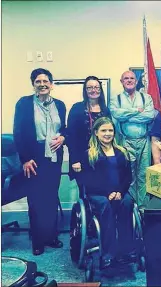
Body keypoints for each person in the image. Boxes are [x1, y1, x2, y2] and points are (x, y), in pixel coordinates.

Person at [13, 68, 66, 256]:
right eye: (38, 81)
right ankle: (37, 240)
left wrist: (63, 138)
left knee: (51, 197)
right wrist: (25, 159)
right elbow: (18, 132)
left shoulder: (60, 105)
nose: (42, 84)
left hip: (54, 157)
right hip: (33, 157)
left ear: (51, 84)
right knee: (36, 199)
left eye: (46, 81)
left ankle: (51, 236)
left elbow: (64, 128)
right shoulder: (24, 104)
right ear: (33, 84)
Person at [77, 117, 134, 272]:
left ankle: (126, 251)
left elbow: (128, 177)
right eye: (103, 130)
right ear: (96, 133)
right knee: (105, 206)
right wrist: (108, 192)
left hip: (119, 193)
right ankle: (108, 254)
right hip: (98, 195)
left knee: (128, 203)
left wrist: (120, 192)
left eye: (110, 130)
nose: (107, 134)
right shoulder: (89, 154)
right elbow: (88, 180)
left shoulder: (122, 152)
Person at [109, 70, 155, 209]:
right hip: (125, 142)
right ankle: (130, 207)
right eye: (126, 78)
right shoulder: (115, 100)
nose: (129, 80)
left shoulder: (146, 98)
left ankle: (142, 208)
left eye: (132, 78)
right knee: (129, 176)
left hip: (144, 141)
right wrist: (137, 111)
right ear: (121, 81)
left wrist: (126, 115)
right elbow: (117, 114)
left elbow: (150, 115)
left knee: (143, 176)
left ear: (136, 81)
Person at [67, 76, 111, 189]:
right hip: (81, 158)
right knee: (85, 192)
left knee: (101, 191)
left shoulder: (105, 110)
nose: (93, 90)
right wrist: (75, 160)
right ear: (85, 90)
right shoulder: (77, 108)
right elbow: (71, 136)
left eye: (96, 87)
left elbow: (110, 135)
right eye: (90, 87)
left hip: (101, 157)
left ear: (100, 90)